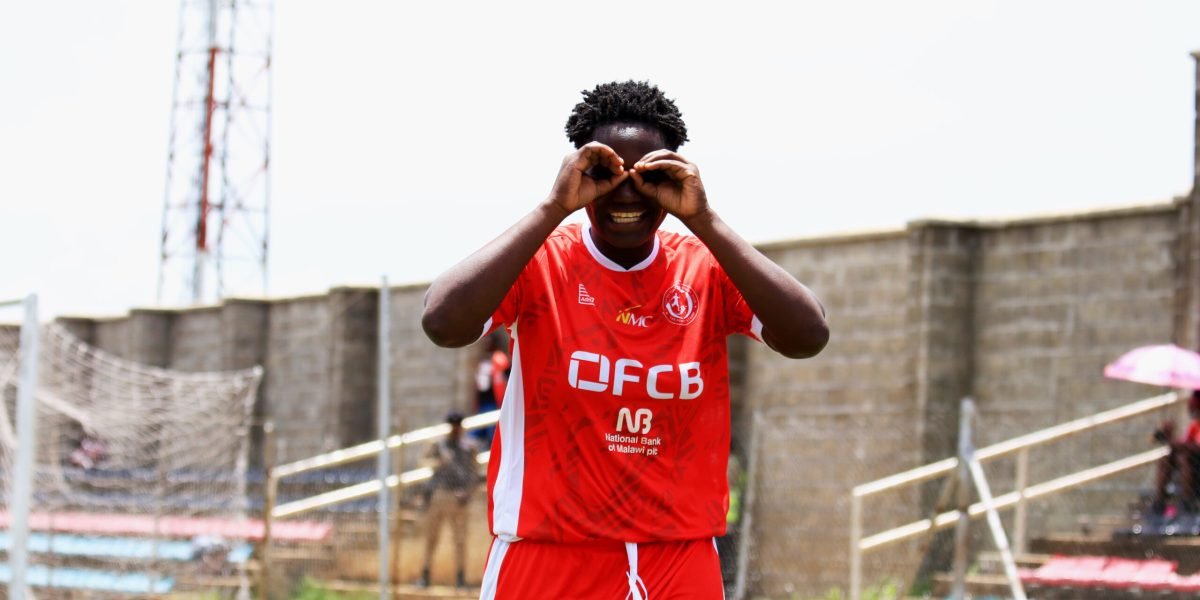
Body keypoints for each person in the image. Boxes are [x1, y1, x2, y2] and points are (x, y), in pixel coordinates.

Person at [421, 81, 828, 599]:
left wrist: (704, 220)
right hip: (550, 555)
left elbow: (808, 334)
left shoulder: (704, 269)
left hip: (679, 558)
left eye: (649, 176)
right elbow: (442, 322)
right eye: (605, 174)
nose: (627, 194)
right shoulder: (542, 261)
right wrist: (553, 207)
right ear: (579, 172)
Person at [418, 412, 482, 589]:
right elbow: (423, 462)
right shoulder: (439, 446)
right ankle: (425, 574)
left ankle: (460, 577)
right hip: (439, 494)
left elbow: (475, 473)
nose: (454, 429)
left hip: (459, 498)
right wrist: (439, 462)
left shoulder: (469, 447)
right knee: (431, 537)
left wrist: (467, 492)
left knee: (460, 540)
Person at [1152, 391, 1200, 514]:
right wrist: (1168, 435)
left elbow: (1194, 448)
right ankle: (1159, 501)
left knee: (1184, 459)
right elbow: (1182, 445)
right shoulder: (1194, 426)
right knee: (1167, 459)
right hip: (1193, 466)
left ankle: (1187, 502)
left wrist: (1170, 439)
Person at [473, 334, 510, 444]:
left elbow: (505, 378)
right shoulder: (484, 360)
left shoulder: (499, 358)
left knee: (492, 433)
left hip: (494, 401)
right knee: (478, 431)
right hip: (483, 401)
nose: (486, 343)